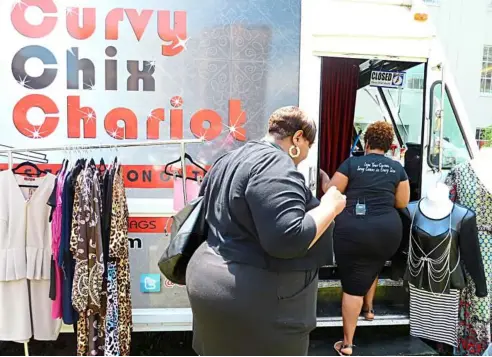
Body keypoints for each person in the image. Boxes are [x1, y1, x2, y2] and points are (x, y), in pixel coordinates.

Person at [186, 106, 347, 356]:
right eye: (308, 146)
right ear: (297, 138)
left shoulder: (230, 159)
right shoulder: (275, 164)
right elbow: (288, 238)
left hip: (213, 283)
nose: (304, 156)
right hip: (258, 303)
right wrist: (330, 206)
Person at [322, 121, 410, 356]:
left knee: (352, 285)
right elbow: (402, 202)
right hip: (387, 232)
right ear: (390, 145)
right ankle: (369, 310)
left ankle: (347, 344)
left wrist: (322, 179)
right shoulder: (397, 168)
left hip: (354, 231)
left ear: (367, 142)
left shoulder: (352, 163)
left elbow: (332, 191)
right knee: (373, 265)